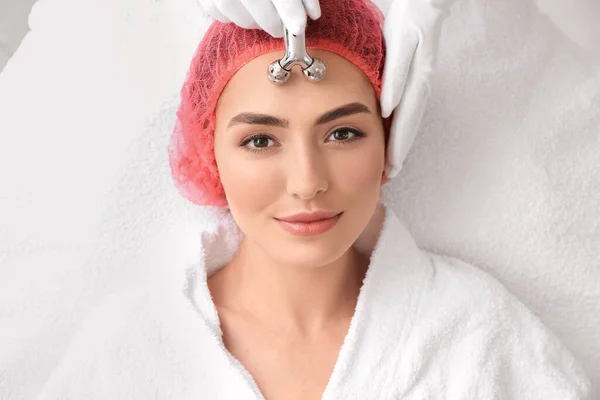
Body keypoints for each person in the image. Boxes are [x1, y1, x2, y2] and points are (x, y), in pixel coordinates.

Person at [35, 0, 592, 399]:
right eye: (259, 140)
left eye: (343, 133)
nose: (307, 181)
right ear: (209, 152)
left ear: (390, 140)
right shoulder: (133, 344)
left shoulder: (476, 334)